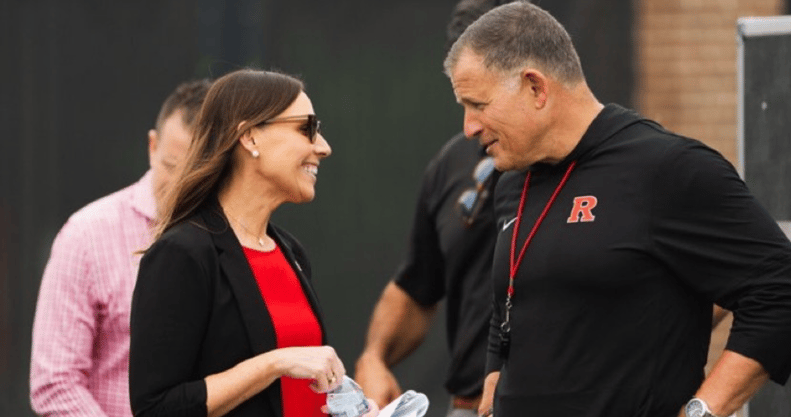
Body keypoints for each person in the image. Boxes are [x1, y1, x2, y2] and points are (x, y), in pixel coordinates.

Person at [443, 2, 791, 417]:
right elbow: (513, 300)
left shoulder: (666, 168)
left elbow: (780, 290)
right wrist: (495, 373)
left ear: (535, 87)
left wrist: (703, 410)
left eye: (478, 105)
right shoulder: (512, 182)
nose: (468, 128)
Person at [128, 69, 379, 417]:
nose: (323, 147)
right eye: (306, 128)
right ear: (249, 137)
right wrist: (275, 362)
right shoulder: (183, 254)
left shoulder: (291, 252)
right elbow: (155, 408)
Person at [353, 2, 512, 417]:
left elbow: (702, 275)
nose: (471, 125)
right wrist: (374, 356)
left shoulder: (601, 159)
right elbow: (415, 287)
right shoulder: (453, 163)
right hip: (469, 405)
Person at [29, 79, 211, 416]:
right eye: (173, 167)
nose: (183, 184)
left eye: (198, 172)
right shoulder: (87, 235)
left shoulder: (233, 236)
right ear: (152, 146)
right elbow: (56, 382)